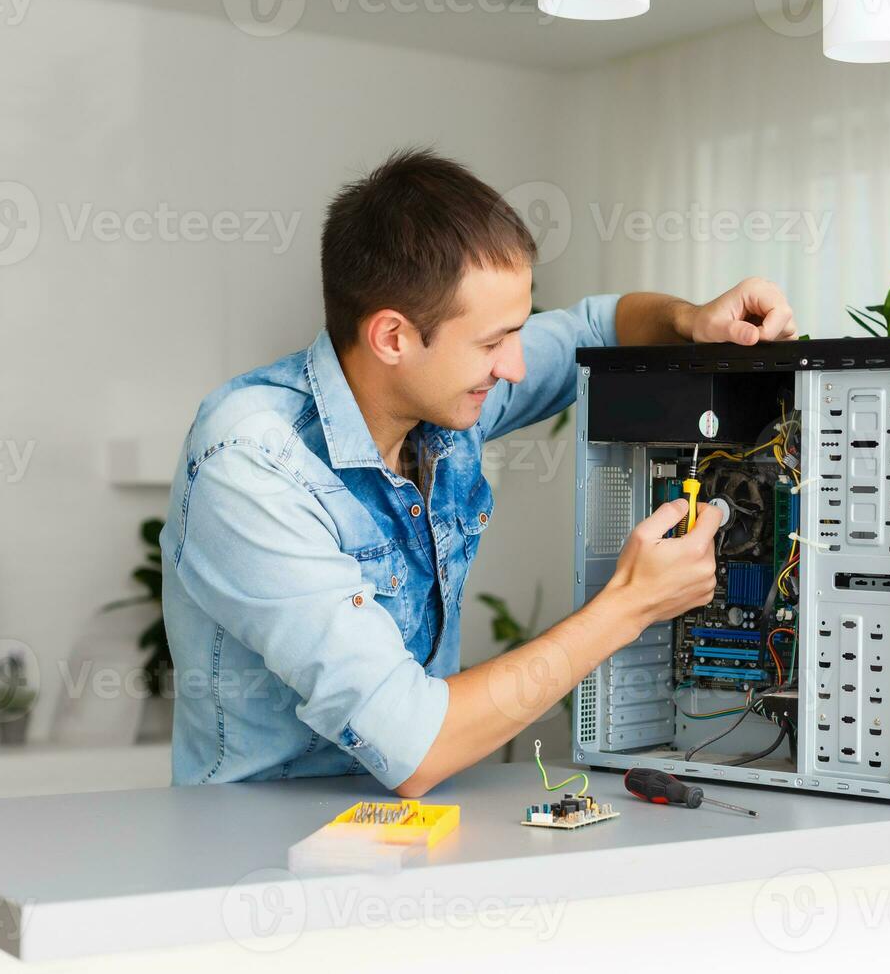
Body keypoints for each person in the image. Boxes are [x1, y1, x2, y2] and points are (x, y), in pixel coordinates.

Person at [162, 147, 798, 795]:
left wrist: (690, 318)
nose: (515, 367)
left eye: (516, 334)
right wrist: (631, 605)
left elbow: (601, 327)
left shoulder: (440, 394)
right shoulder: (252, 463)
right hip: (254, 842)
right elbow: (417, 743)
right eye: (494, 343)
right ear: (393, 338)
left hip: (422, 830)